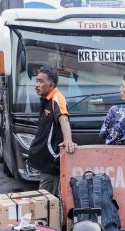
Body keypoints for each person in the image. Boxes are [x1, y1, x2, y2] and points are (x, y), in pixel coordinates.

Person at [27, 66, 77, 196]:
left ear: (51, 84)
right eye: (36, 81)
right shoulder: (46, 99)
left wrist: (68, 141)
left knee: (47, 200)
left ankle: (53, 217)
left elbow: (64, 118)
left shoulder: (57, 98)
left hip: (52, 160)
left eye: (41, 81)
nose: (37, 85)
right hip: (46, 161)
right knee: (50, 200)